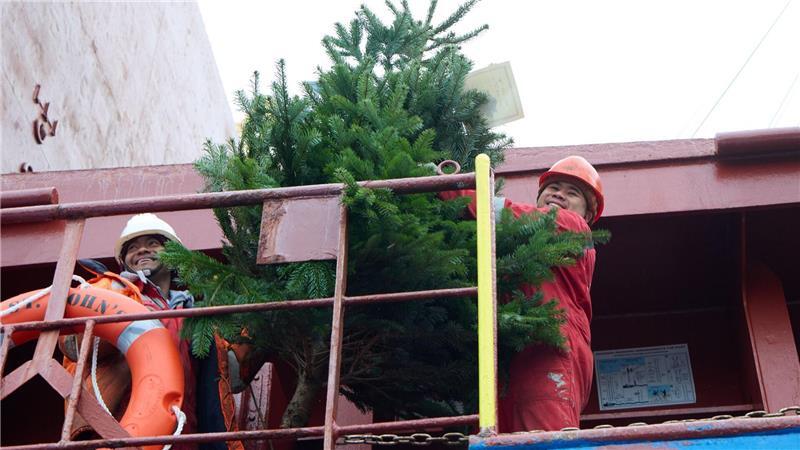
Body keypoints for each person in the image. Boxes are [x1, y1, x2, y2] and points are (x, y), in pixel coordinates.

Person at [60, 213, 263, 450]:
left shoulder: (196, 316)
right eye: (132, 248)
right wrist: (120, 307)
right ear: (124, 262)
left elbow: (231, 376)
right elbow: (71, 344)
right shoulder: (107, 291)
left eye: (153, 243)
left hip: (187, 439)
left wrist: (260, 316)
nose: (142, 250)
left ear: (173, 257)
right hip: (120, 433)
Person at [440, 155, 604, 432]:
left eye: (572, 192)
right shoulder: (521, 244)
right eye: (553, 188)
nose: (559, 194)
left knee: (543, 436)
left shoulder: (573, 227)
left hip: (550, 353)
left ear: (587, 215)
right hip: (517, 354)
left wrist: (444, 185)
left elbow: (500, 214)